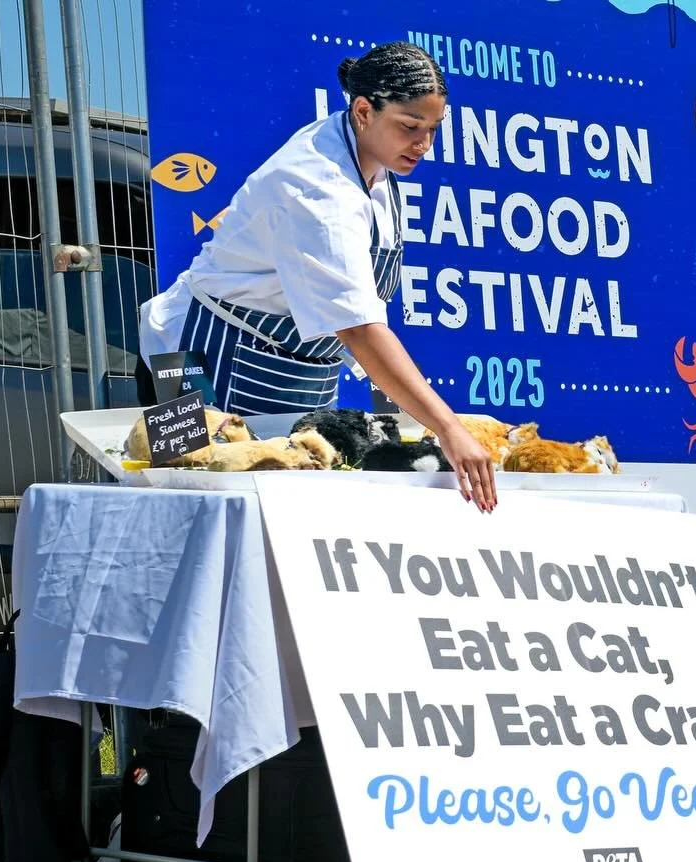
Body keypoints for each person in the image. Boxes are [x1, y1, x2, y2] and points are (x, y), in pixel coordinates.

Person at [137, 42, 496, 512]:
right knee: (192, 506)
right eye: (410, 127)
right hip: (194, 363)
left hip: (295, 372)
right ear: (364, 111)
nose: (423, 145)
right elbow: (358, 328)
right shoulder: (316, 186)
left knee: (293, 518)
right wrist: (449, 428)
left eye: (433, 130)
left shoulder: (373, 162)